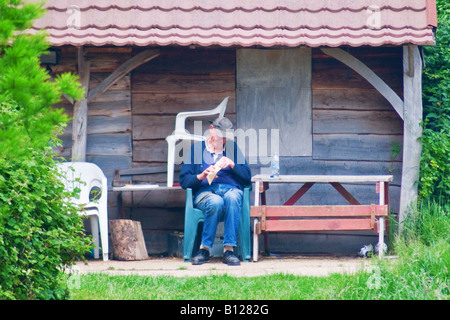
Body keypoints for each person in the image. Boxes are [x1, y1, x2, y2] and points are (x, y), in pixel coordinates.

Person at [179, 116, 251, 266]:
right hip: (206, 192)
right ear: (211, 130)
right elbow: (184, 181)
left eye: (226, 137)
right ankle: (204, 250)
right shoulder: (197, 150)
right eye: (220, 136)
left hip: (231, 190)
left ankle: (229, 250)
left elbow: (247, 178)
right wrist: (202, 175)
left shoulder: (232, 149)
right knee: (215, 201)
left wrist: (232, 165)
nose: (223, 140)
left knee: (232, 199)